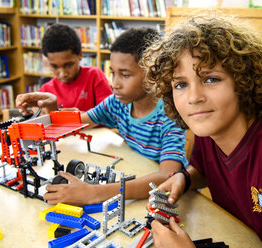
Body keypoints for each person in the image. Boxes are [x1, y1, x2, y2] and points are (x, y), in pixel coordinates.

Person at [142, 16, 262, 248]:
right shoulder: (208, 130)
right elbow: (206, 171)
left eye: (211, 79)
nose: (194, 98)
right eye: (181, 84)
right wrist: (183, 179)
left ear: (245, 82)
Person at [16, 28, 188, 206]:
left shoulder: (170, 114)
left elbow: (168, 177)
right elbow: (77, 123)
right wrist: (52, 107)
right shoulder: (117, 103)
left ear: (154, 73)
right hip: (136, 177)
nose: (115, 84)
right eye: (113, 73)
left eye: (125, 75)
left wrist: (93, 193)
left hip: (172, 198)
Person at [37, 23, 112, 112]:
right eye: (55, 66)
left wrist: (76, 117)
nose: (63, 74)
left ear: (80, 55)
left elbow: (111, 115)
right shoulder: (45, 91)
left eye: (68, 65)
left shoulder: (94, 76)